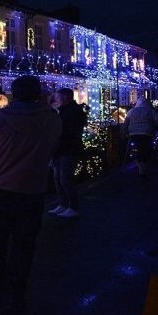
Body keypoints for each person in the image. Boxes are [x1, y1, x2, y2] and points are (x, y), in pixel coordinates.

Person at [0, 75, 61, 315]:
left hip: (1, 190)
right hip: (33, 190)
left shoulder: (0, 118)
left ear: (14, 93)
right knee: (24, 246)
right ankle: (17, 294)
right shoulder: (52, 118)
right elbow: (53, 146)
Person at [49, 88, 87, 218]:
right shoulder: (65, 111)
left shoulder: (72, 112)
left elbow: (69, 131)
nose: (56, 100)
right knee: (58, 178)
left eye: (58, 97)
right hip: (62, 148)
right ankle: (63, 204)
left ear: (65, 97)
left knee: (65, 178)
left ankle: (72, 206)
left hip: (68, 148)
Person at [123, 96, 158, 176]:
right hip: (147, 133)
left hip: (134, 133)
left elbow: (126, 122)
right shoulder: (151, 111)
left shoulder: (132, 111)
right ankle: (143, 165)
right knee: (146, 148)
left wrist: (124, 131)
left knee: (138, 147)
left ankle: (140, 163)